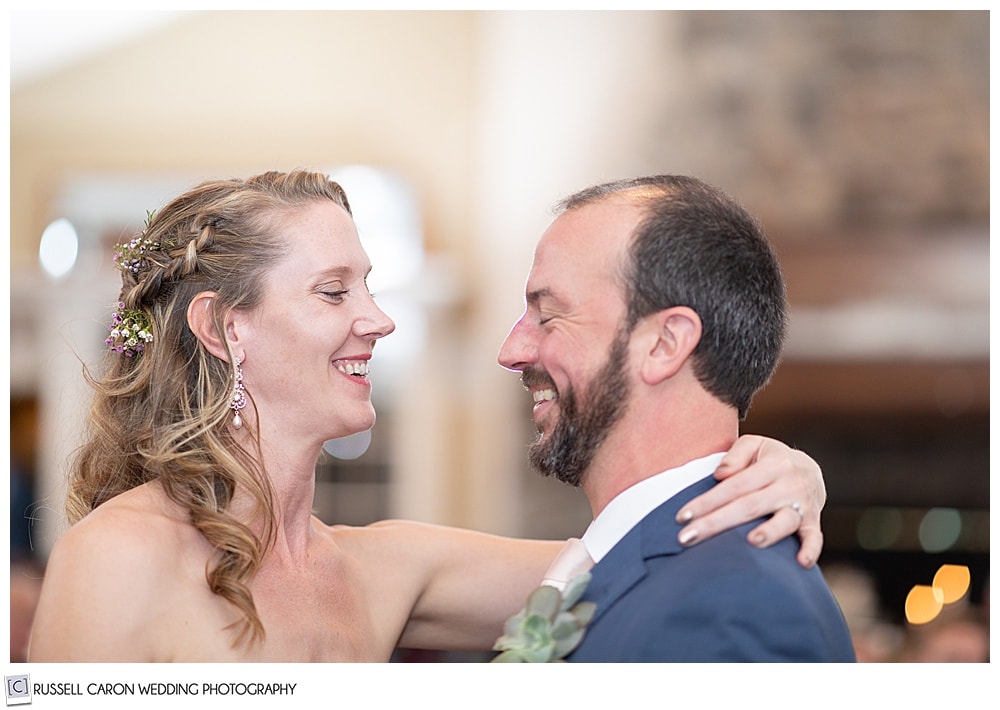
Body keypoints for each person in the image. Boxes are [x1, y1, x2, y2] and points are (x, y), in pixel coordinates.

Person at [28, 170, 827, 662]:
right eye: (336, 291)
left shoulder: (388, 570)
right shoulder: (119, 558)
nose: (379, 320)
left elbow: (643, 559)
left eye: (371, 288)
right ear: (223, 327)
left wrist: (779, 469)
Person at [497, 175, 855, 662]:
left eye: (548, 315)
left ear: (665, 344)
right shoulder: (631, 566)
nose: (511, 351)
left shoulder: (738, 607)